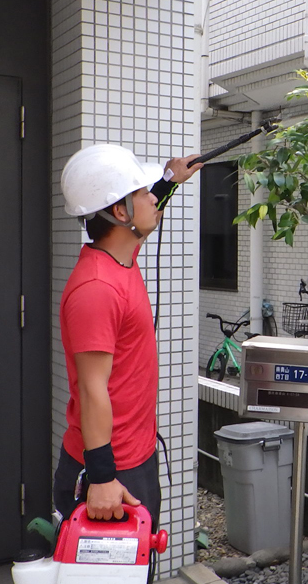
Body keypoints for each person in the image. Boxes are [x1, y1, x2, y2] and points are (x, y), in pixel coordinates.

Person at [52, 144, 202, 526]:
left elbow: (141, 221)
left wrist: (169, 180)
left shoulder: (120, 257)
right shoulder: (97, 288)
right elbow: (91, 389)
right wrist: (102, 478)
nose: (152, 200)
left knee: (137, 583)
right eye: (141, 194)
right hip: (109, 472)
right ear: (120, 213)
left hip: (134, 457)